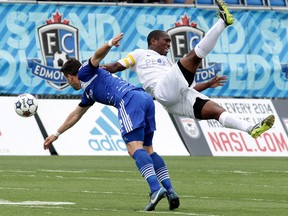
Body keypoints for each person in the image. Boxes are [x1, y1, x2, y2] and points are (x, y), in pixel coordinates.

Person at [43, 33, 179, 211]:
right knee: (148, 149)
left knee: (134, 149)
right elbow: (76, 114)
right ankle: (170, 190)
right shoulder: (89, 90)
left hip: (128, 100)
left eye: (67, 80)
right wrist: (56, 134)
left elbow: (97, 56)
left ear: (69, 77)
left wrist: (109, 43)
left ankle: (155, 189)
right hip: (144, 99)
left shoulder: (85, 71)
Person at [103, 0, 275, 139]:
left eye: (170, 42)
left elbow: (186, 87)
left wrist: (207, 84)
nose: (168, 45)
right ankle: (223, 22)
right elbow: (117, 66)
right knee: (194, 57)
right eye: (165, 41)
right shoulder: (139, 54)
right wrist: (94, 67)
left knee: (217, 111)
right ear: (153, 41)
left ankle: (251, 128)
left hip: (177, 100)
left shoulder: (168, 63)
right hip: (161, 90)